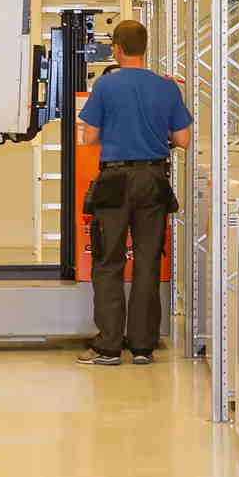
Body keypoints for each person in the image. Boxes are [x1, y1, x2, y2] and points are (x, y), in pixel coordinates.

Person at [75, 19, 192, 367]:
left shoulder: (106, 87)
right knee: (146, 262)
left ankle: (109, 346)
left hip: (114, 182)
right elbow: (183, 140)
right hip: (153, 180)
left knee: (109, 262)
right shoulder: (167, 88)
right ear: (144, 47)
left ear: (117, 49)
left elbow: (89, 137)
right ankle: (142, 346)